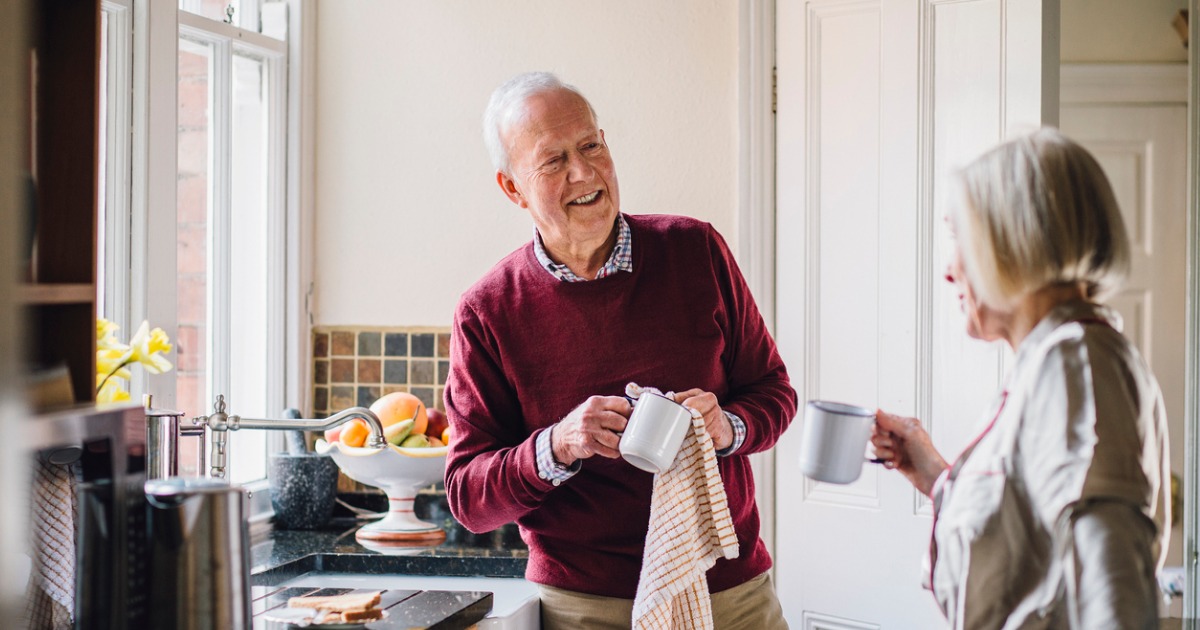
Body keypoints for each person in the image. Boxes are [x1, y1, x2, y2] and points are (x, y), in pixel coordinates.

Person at [443, 71, 796, 629]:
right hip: (583, 608)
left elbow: (775, 392)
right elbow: (468, 497)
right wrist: (557, 446)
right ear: (512, 188)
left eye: (591, 146)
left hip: (730, 595)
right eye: (553, 161)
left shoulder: (696, 250)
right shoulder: (488, 311)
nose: (583, 173)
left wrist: (726, 426)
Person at [870, 128, 1170, 629]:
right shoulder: (1053, 360)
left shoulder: (1076, 363)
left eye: (959, 238)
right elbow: (1030, 539)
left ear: (1014, 241)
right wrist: (936, 478)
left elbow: (1110, 581)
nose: (949, 269)